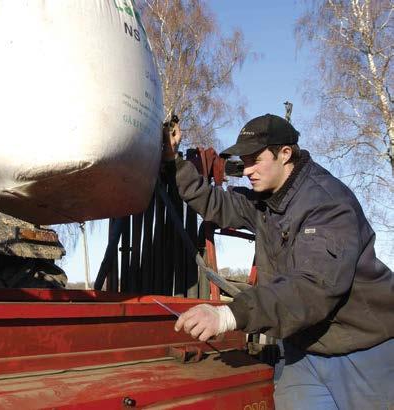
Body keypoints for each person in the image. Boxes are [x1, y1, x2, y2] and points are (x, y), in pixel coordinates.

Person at [162, 114, 394, 410]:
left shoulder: (327, 204)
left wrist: (228, 316)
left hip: (362, 350)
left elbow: (312, 288)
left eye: (255, 160)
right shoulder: (266, 201)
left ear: (285, 153)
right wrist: (174, 162)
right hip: (302, 349)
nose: (247, 171)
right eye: (244, 161)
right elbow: (213, 202)